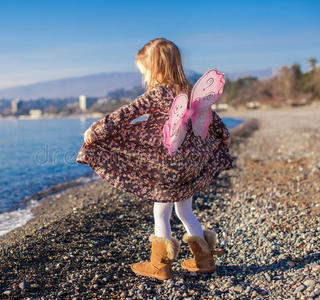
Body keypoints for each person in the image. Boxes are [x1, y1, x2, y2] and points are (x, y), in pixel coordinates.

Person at [76, 38, 232, 281]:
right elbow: (213, 120)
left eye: (145, 70)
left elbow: (124, 115)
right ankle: (204, 260)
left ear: (156, 67)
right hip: (189, 165)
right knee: (185, 211)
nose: (144, 75)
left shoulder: (157, 94)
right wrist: (225, 136)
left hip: (167, 167)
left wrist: (94, 131)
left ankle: (160, 265)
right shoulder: (190, 92)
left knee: (161, 213)